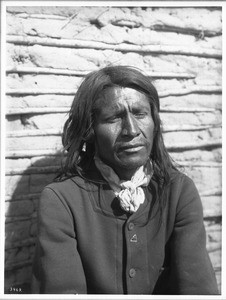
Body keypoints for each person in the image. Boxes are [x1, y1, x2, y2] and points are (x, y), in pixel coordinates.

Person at [32, 65, 218, 294]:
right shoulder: (62, 200)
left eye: (140, 114)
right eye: (114, 118)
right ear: (90, 130)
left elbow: (197, 289)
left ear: (155, 122)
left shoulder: (178, 192)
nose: (131, 130)